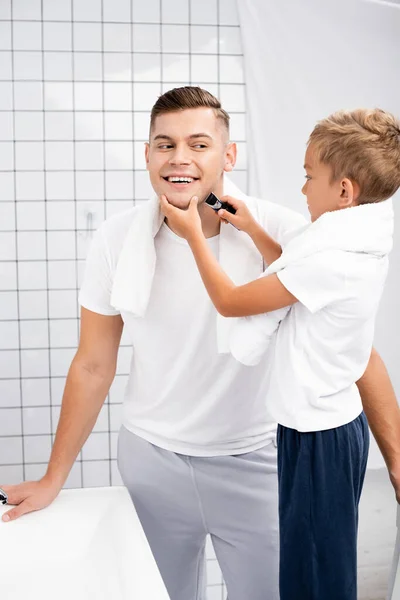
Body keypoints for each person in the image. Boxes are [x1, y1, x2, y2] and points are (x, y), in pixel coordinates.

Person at [0, 89, 399, 600]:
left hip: (257, 462)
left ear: (228, 156)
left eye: (199, 143)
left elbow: (353, 352)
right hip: (152, 465)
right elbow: (93, 364)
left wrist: (397, 459)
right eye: (164, 144)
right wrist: (54, 477)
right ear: (147, 155)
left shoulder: (284, 233)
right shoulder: (116, 239)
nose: (179, 158)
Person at [160, 106, 400, 600]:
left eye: (310, 177)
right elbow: (293, 275)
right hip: (326, 428)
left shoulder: (333, 258)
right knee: (314, 559)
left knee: (314, 575)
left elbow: (231, 302)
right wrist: (253, 230)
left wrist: (192, 240)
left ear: (345, 192)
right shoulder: (346, 243)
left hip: (319, 440)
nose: (302, 189)